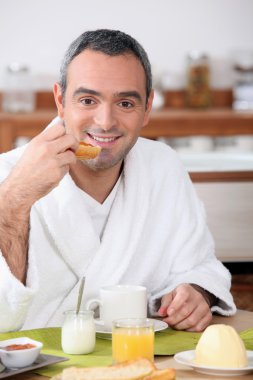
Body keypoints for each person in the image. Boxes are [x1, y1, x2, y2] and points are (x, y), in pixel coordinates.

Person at [0, 29, 236, 333]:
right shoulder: (7, 176)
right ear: (60, 100)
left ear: (147, 107)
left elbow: (200, 265)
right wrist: (15, 197)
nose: (106, 122)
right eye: (87, 100)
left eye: (125, 103)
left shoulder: (163, 167)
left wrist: (195, 292)